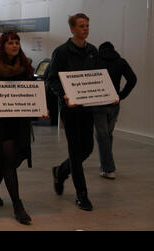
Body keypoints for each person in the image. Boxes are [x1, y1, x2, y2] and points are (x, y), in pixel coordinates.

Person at [0, 32, 34, 225]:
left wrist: (38, 109)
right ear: (3, 45)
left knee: (9, 160)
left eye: (17, 42)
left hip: (18, 121)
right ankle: (18, 206)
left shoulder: (25, 66)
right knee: (8, 160)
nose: (14, 45)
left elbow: (32, 91)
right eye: (10, 42)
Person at [46, 13, 98, 211]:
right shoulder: (61, 52)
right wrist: (64, 95)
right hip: (70, 109)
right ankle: (81, 194)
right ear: (72, 29)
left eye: (87, 25)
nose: (85, 29)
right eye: (81, 26)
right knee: (76, 151)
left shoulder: (93, 51)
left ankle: (60, 171)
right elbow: (52, 79)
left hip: (87, 108)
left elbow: (97, 77)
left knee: (88, 148)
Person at [92, 41, 137, 180]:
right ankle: (104, 163)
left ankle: (108, 169)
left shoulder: (95, 60)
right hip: (114, 103)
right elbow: (133, 79)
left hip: (99, 103)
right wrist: (121, 96)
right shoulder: (120, 61)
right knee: (107, 135)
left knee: (102, 136)